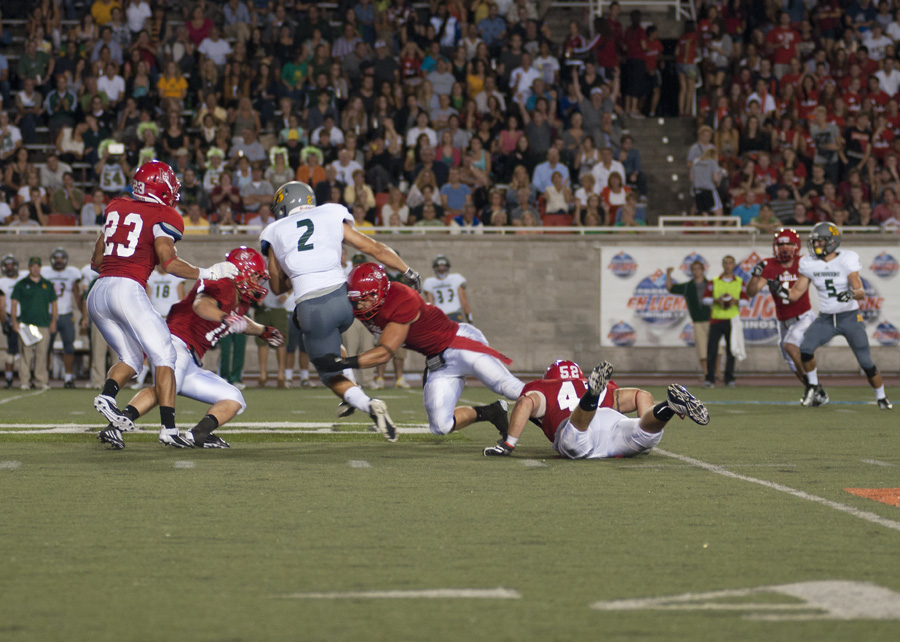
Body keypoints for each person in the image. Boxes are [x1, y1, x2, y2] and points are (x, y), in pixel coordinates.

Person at [88, 160, 239, 450]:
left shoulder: (116, 206)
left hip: (99, 292)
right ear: (160, 186)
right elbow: (169, 262)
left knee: (131, 358)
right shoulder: (163, 213)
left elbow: (97, 259)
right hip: (127, 289)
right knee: (165, 356)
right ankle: (168, 429)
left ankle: (108, 396)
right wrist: (209, 272)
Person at [261, 181, 421, 441]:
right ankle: (353, 383)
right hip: (344, 299)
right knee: (334, 343)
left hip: (312, 307)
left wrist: (298, 273)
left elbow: (277, 286)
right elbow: (374, 248)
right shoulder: (331, 212)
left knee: (328, 371)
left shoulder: (275, 229)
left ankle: (367, 404)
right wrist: (407, 270)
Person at [103, 247, 284, 449]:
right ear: (241, 272)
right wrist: (225, 317)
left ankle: (198, 434)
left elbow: (242, 322)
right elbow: (202, 305)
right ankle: (115, 426)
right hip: (175, 343)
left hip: (191, 359)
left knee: (234, 398)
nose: (257, 284)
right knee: (169, 387)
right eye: (255, 277)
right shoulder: (222, 283)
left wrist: (262, 331)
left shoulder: (239, 301)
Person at [324, 263, 522, 440]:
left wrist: (342, 363)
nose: (358, 305)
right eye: (355, 299)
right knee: (440, 426)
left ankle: (550, 403)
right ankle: (492, 412)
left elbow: (384, 353)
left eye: (364, 299)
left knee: (510, 388)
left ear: (380, 292)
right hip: (438, 360)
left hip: (460, 344)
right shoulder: (360, 302)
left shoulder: (402, 299)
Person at [483, 360, 709, 459]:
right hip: (612, 422)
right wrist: (643, 420)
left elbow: (525, 404)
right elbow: (642, 395)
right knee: (644, 433)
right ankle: (668, 407)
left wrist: (508, 444)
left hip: (577, 425)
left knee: (574, 439)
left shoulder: (543, 387)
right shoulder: (608, 387)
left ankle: (590, 396)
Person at [779, 223, 892, 410]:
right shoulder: (809, 263)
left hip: (849, 317)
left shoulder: (847, 259)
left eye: (820, 241)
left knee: (866, 362)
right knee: (806, 349)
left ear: (832, 242)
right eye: (815, 241)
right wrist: (781, 291)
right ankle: (814, 386)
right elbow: (795, 293)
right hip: (826, 318)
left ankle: (881, 397)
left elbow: (860, 291)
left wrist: (850, 294)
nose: (816, 245)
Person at [746, 229, 818, 401]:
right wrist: (755, 275)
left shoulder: (804, 262)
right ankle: (813, 390)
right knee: (791, 361)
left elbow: (796, 294)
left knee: (790, 345)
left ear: (797, 246)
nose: (784, 248)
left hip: (803, 316)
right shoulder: (769, 265)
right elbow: (751, 292)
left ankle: (813, 387)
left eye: (789, 244)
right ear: (774, 247)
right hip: (783, 321)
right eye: (780, 244)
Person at [10, 257, 58, 391]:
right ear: (29, 267)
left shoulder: (47, 284)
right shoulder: (21, 284)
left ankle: (40, 380)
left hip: (43, 324)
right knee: (26, 355)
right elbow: (14, 304)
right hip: (26, 325)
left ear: (40, 268)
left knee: (42, 354)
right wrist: (14, 321)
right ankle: (24, 381)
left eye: (38, 266)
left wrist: (53, 321)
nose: (35, 268)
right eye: (33, 266)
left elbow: (54, 304)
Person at [701, 256, 748, 388]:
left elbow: (745, 301)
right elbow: (705, 299)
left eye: (730, 263)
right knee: (712, 350)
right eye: (726, 263)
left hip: (732, 320)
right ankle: (710, 379)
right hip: (716, 318)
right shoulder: (714, 281)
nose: (728, 266)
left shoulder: (739, 281)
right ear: (722, 265)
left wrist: (734, 301)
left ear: (734, 265)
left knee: (731, 350)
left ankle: (729, 378)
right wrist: (717, 300)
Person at [41, 247, 83, 388]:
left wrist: (83, 315)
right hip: (48, 314)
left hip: (66, 314)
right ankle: (44, 377)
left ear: (65, 260)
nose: (59, 261)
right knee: (45, 347)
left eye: (61, 258)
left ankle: (68, 378)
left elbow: (77, 296)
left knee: (69, 347)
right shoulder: (45, 272)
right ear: (52, 259)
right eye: (56, 258)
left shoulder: (72, 273)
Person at [665, 261, 713, 376]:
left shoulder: (711, 284)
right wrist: (668, 274)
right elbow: (671, 288)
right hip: (698, 321)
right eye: (694, 269)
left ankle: (717, 373)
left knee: (716, 349)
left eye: (698, 269)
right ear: (691, 271)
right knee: (702, 350)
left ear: (703, 270)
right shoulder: (688, 286)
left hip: (712, 320)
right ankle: (707, 373)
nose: (696, 271)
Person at [423, 254, 471, 323]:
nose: (441, 270)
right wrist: (470, 320)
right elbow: (464, 303)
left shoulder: (429, 282)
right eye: (440, 268)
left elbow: (430, 305)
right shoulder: (457, 278)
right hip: (453, 315)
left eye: (443, 267)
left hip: (440, 315)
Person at [0, 255, 24, 389]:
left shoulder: (22, 279)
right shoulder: (2, 282)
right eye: (7, 265)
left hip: (25, 317)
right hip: (10, 317)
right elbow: (1, 304)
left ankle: (24, 377)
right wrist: (3, 321)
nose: (10, 267)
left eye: (11, 264)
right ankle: (9, 378)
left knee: (25, 349)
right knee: (12, 349)